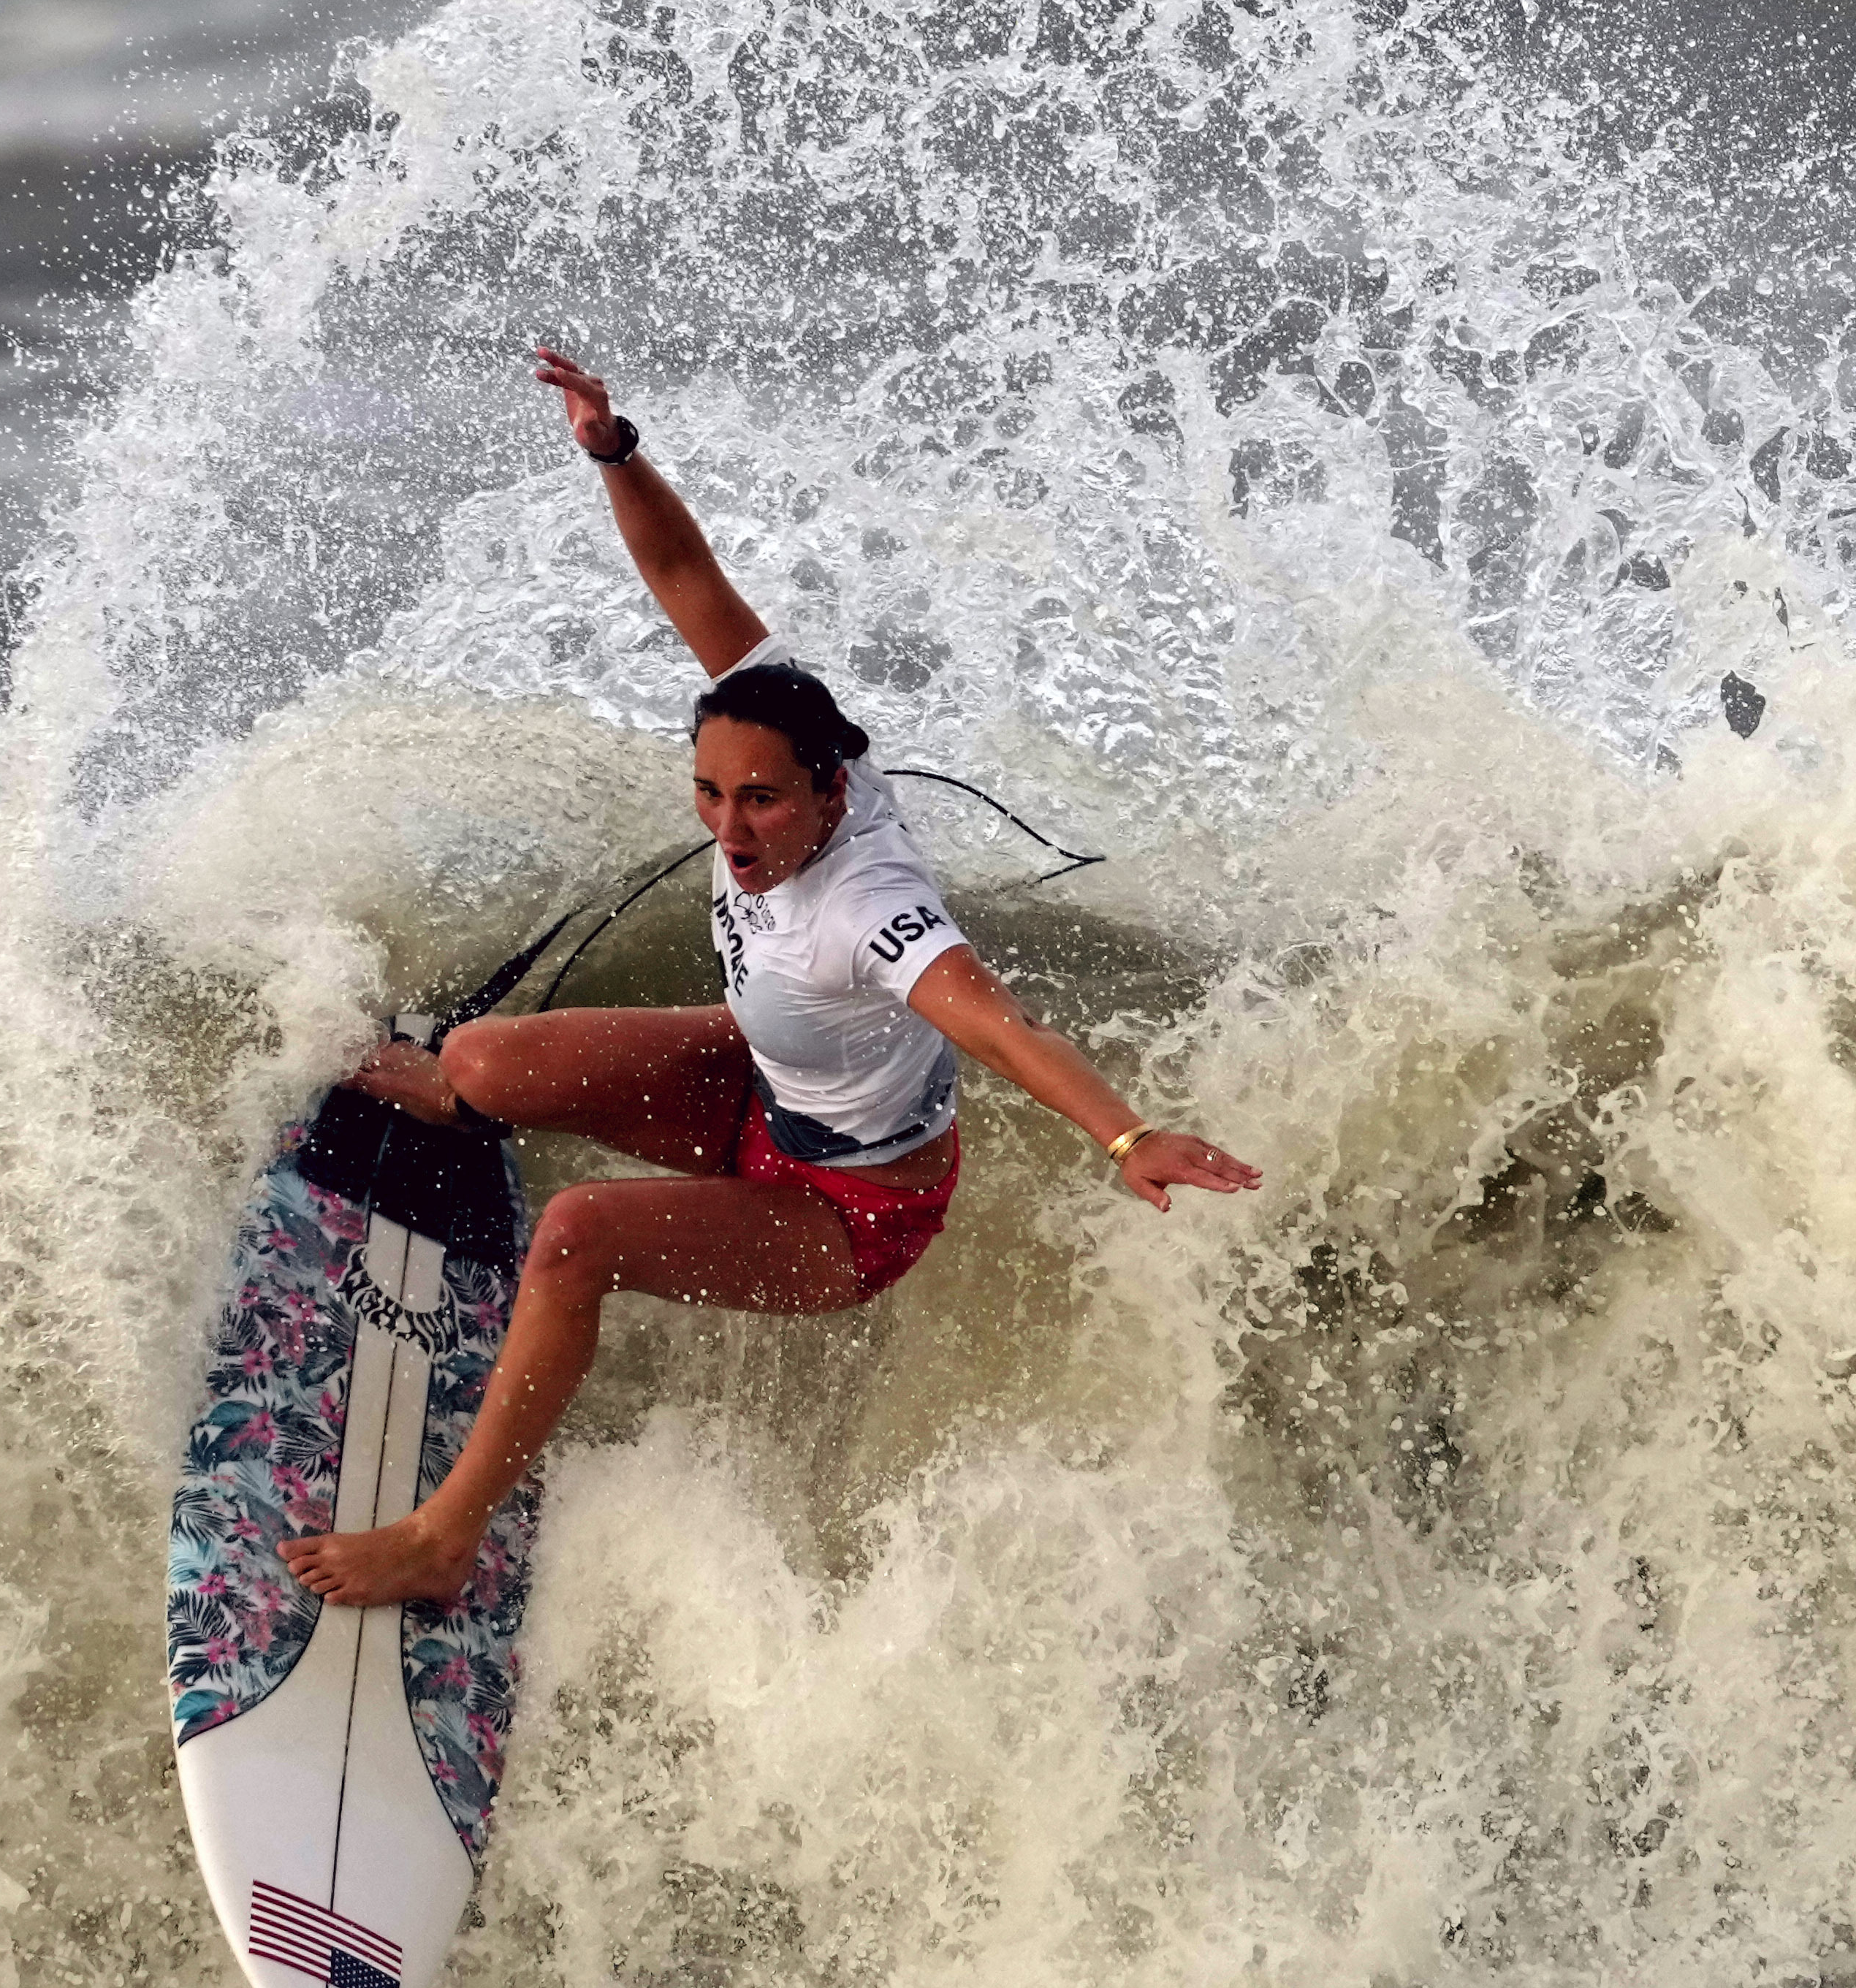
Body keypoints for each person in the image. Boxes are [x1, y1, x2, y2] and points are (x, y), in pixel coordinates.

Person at [280, 346, 1262, 1608]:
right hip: (763, 1082)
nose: (731, 831)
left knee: (577, 1235)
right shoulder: (779, 725)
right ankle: (451, 1098)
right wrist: (613, 451)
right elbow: (684, 577)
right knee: (478, 1061)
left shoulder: (872, 911)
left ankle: (442, 1539)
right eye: (710, 794)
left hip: (846, 1216)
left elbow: (999, 1027)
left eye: (761, 802)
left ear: (830, 789)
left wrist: (1125, 1137)